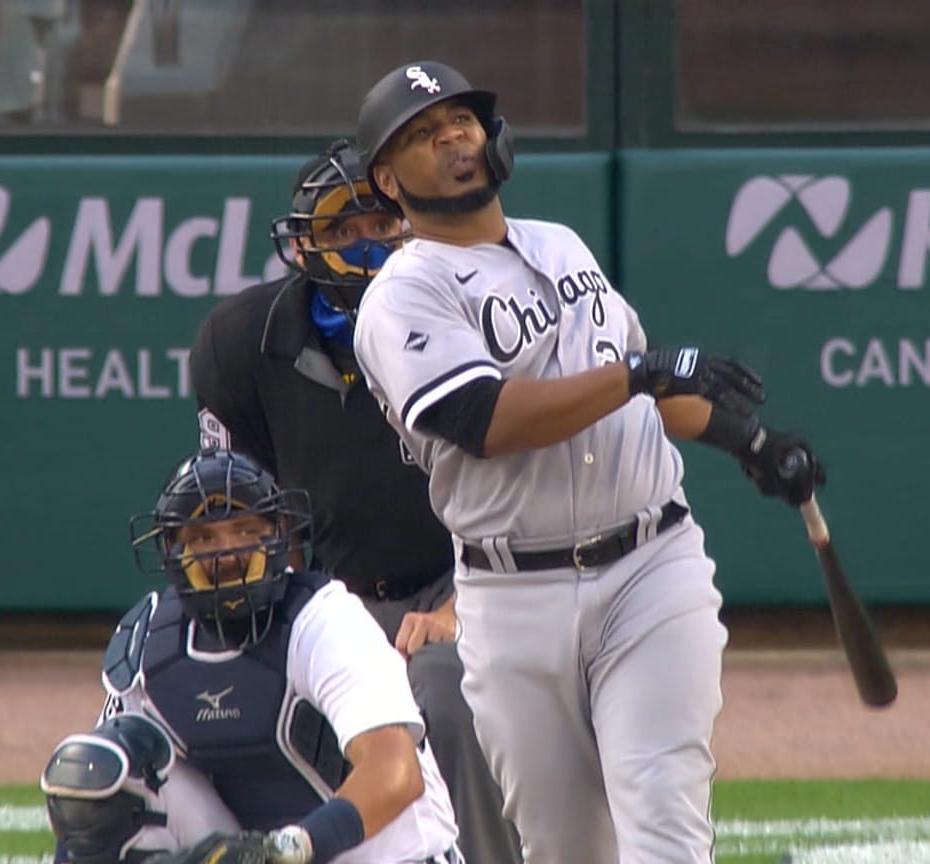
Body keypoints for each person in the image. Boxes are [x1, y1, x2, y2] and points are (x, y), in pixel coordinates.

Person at [349, 60, 827, 863]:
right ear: (389, 182)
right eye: (424, 135)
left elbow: (636, 383)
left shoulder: (558, 244)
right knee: (567, 847)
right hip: (511, 598)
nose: (452, 138)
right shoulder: (402, 295)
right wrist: (642, 374)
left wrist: (751, 442)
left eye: (460, 121)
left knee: (661, 813)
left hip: (650, 566)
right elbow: (484, 418)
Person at [187, 139, 523, 863]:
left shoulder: (471, 314)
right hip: (328, 592)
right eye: (342, 230)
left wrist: (463, 605)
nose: (364, 245)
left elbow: (528, 492)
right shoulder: (243, 342)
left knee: (447, 686)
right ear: (304, 243)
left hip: (473, 580)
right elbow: (239, 513)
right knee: (221, 690)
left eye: (378, 222)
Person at [39, 448, 460, 864]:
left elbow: (396, 770)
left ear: (276, 539)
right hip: (249, 852)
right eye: (203, 537)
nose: (228, 553)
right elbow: (93, 797)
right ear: (172, 551)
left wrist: (283, 851)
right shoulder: (150, 641)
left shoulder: (324, 619)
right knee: (96, 773)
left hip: (384, 854)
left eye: (245, 531)